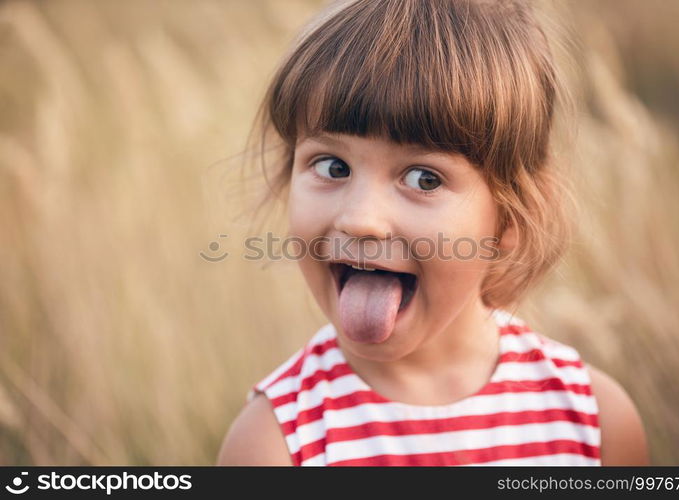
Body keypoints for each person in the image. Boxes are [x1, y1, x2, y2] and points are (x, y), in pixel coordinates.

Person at [217, 0, 649, 466]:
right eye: (332, 166)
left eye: (424, 178)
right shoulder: (276, 442)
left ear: (509, 218)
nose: (360, 219)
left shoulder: (593, 422)